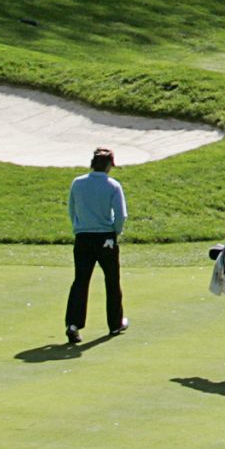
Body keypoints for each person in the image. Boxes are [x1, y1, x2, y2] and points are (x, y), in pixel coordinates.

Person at [65, 146, 127, 345]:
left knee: (80, 281)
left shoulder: (78, 183)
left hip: (83, 237)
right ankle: (115, 323)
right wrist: (114, 233)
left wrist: (79, 227)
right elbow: (121, 216)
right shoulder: (113, 185)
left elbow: (72, 209)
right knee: (112, 280)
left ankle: (73, 325)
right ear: (109, 165)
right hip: (105, 239)